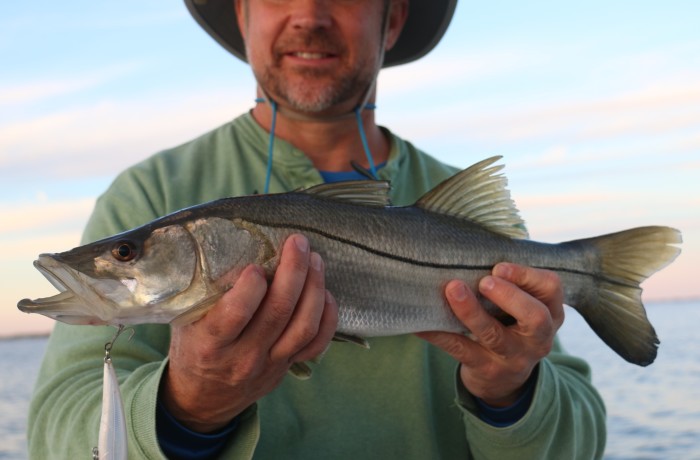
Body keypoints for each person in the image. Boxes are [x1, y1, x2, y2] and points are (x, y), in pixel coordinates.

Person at [27, 0, 606, 458]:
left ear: (394, 17)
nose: (309, 13)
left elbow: (581, 442)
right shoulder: (151, 190)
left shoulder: (468, 222)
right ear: (242, 14)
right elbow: (57, 437)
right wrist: (190, 409)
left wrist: (511, 391)